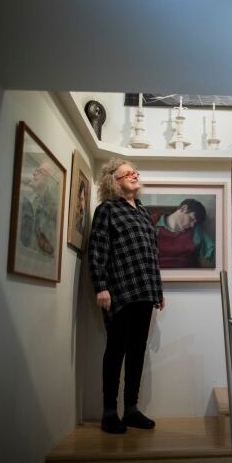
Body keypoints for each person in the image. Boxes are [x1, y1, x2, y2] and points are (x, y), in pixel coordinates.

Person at [88, 159, 165, 434]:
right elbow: (97, 251)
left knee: (136, 351)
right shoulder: (106, 210)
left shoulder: (143, 212)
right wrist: (101, 286)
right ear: (114, 180)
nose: (135, 174)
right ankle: (110, 412)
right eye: (128, 172)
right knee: (116, 350)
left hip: (145, 291)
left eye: (135, 172)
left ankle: (130, 410)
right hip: (119, 291)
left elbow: (152, 254)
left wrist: (158, 290)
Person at [151, 198, 216, 268]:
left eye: (195, 222)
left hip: (186, 275)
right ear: (183, 208)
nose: (192, 225)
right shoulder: (153, 222)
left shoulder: (195, 231)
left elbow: (213, 252)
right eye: (192, 219)